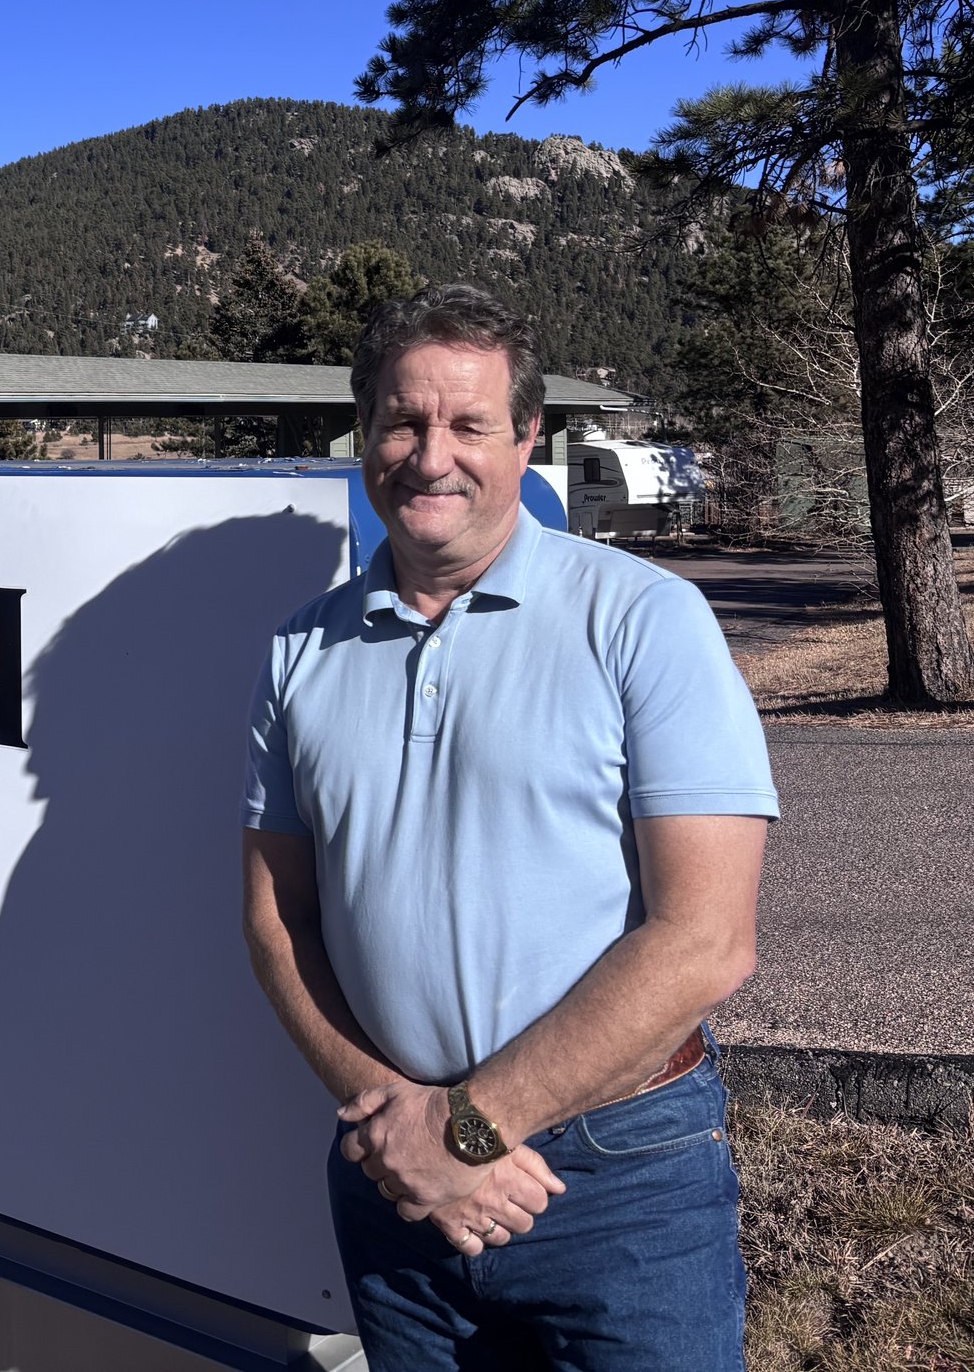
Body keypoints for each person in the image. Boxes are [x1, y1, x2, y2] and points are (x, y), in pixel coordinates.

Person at [242, 284, 777, 1370]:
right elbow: (276, 918)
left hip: (616, 1180)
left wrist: (470, 1132)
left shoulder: (641, 619)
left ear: (526, 436)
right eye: (401, 420)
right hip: (391, 1174)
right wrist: (393, 1122)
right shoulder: (299, 650)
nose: (430, 455)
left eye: (468, 424)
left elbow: (708, 939)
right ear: (364, 430)